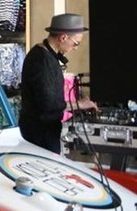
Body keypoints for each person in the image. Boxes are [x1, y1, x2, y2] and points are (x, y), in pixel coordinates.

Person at [19, 13, 97, 154]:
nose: (75, 48)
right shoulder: (42, 61)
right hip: (40, 133)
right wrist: (80, 105)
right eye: (76, 43)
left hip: (42, 131)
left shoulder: (44, 55)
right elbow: (49, 105)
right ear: (63, 37)